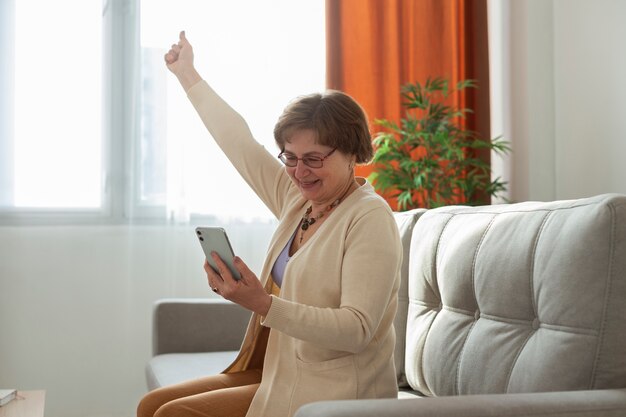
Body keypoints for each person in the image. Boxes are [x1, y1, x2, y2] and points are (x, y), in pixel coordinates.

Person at [137, 31, 402, 417]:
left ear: (352, 152)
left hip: (336, 391)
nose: (299, 172)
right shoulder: (300, 201)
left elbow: (356, 330)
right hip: (279, 370)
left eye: (313, 158)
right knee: (152, 404)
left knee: (172, 415)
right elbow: (239, 143)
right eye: (290, 157)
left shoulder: (369, 218)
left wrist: (263, 304)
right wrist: (187, 75)